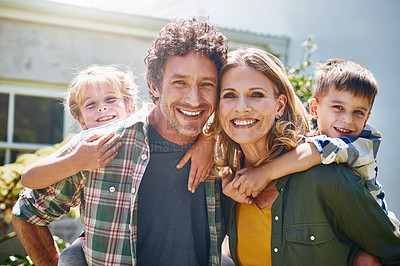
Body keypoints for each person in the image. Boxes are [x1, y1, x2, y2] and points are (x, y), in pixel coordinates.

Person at [12, 17, 227, 266]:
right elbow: (27, 213)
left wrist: (210, 139)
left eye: (207, 84)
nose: (194, 99)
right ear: (154, 85)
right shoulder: (98, 147)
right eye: (179, 82)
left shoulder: (227, 152)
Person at [209, 48, 400, 265]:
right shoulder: (224, 186)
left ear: (279, 105)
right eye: (229, 95)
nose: (242, 107)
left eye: (256, 94)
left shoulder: (328, 178)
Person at [228, 59, 399, 227]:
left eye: (358, 112)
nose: (348, 120)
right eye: (338, 107)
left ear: (367, 117)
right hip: (342, 228)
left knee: (365, 257)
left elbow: (316, 151)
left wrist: (264, 174)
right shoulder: (312, 132)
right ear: (315, 109)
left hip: (376, 226)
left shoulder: (363, 141)